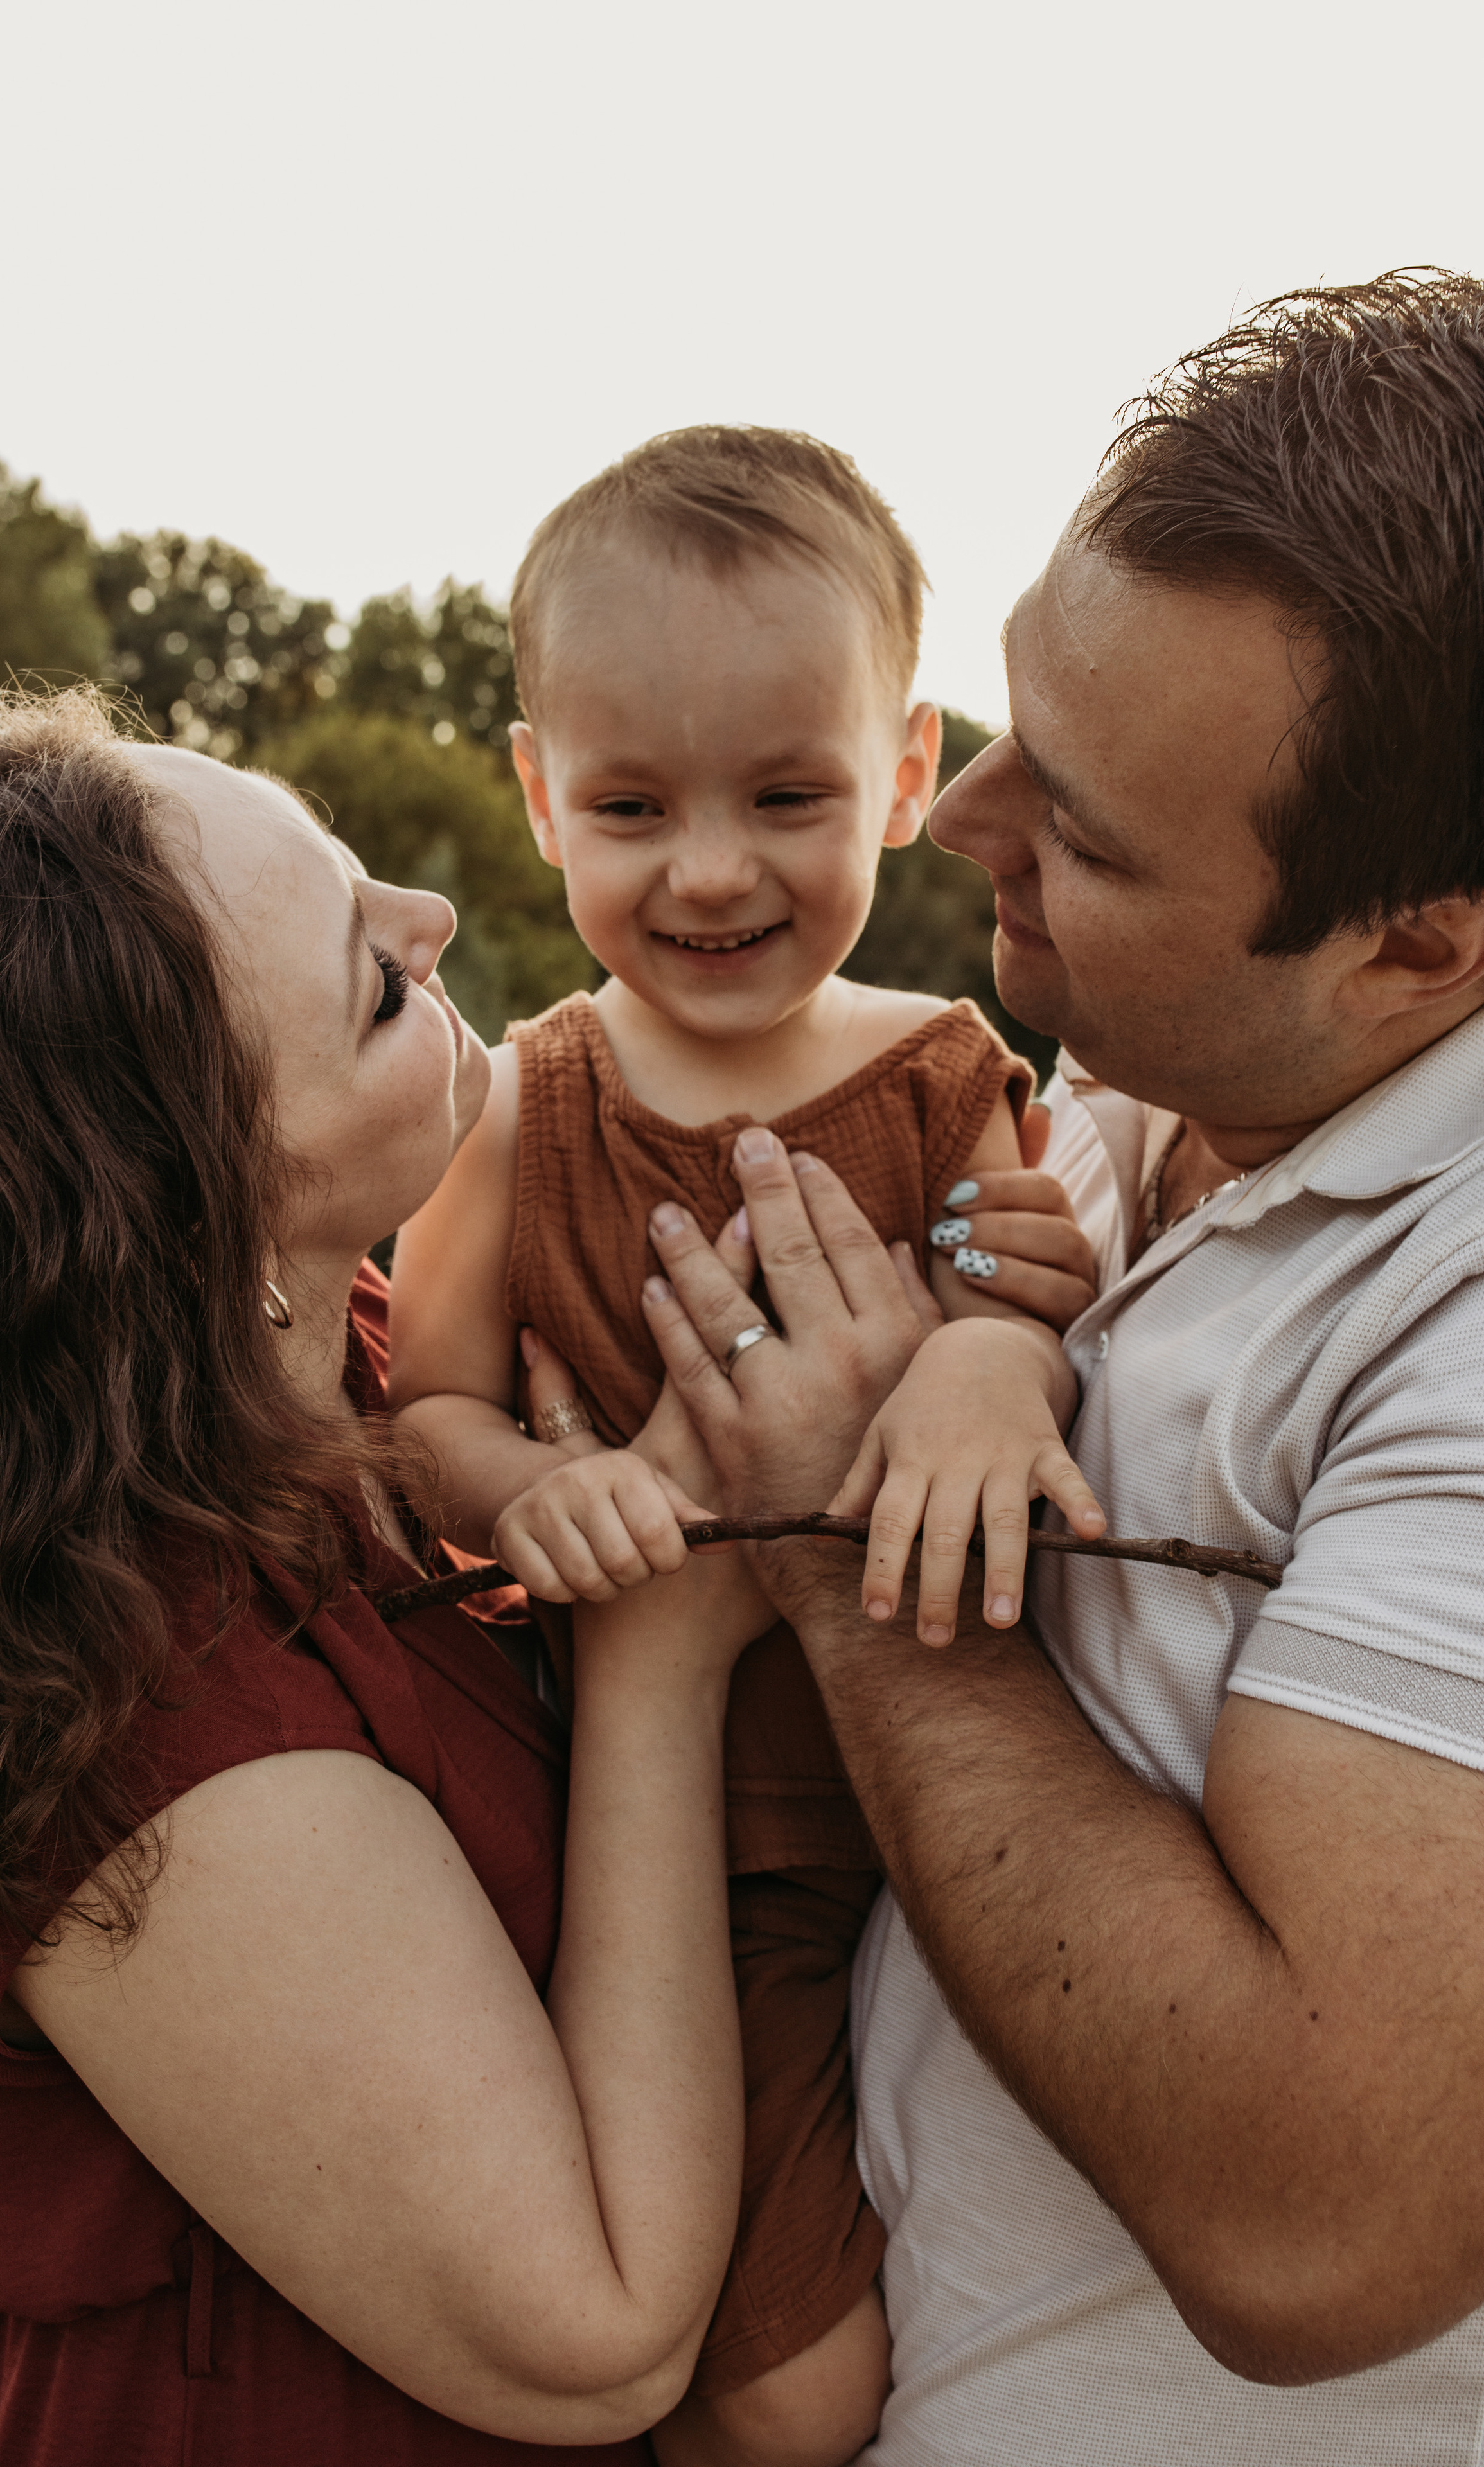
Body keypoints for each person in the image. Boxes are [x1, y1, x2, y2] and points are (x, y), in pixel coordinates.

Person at [637, 271, 1484, 2465]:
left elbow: (1325, 2225)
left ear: (1420, 946)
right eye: (1015, 720)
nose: (956, 825)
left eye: (1090, 837)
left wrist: (842, 1552)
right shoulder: (1108, 1104)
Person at [0, 691, 779, 2466]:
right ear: (204, 1217)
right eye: (368, 976)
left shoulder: (342, 1367)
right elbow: (595, 2334)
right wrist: (667, 1648)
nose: (433, 921)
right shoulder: (138, 1712)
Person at [387, 429, 1099, 2466]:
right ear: (541, 799)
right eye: (632, 807)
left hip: (963, 1794)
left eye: (787, 796)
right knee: (790, 2399)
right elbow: (420, 1412)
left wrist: (981, 1364)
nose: (708, 870)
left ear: (903, 769)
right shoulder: (531, 1108)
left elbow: (1010, 1280)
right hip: (692, 1851)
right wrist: (533, 1487)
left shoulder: (950, 1073)